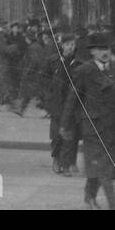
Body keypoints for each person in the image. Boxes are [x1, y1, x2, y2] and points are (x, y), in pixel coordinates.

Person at [60, 31, 115, 210]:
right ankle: (114, 206)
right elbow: (72, 99)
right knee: (104, 168)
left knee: (99, 165)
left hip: (114, 127)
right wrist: (65, 125)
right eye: (99, 49)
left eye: (106, 48)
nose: (104, 52)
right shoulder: (83, 71)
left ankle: (89, 196)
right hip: (92, 126)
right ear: (92, 52)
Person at [45, 33, 82, 175]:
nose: (70, 47)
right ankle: (56, 159)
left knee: (71, 135)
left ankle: (68, 163)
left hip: (72, 104)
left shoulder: (78, 63)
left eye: (73, 44)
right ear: (62, 45)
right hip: (56, 104)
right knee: (56, 135)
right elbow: (43, 79)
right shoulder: (53, 61)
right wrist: (48, 96)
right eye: (67, 44)